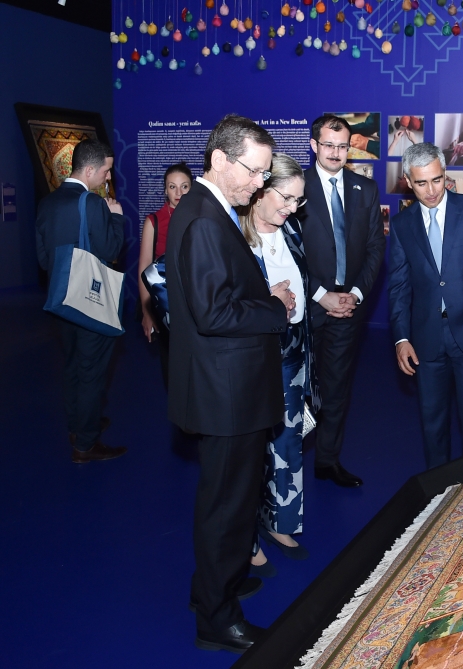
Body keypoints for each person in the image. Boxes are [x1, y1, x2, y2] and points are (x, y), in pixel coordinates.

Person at [167, 114, 294, 653]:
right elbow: (215, 312)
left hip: (228, 386)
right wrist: (274, 308)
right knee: (227, 505)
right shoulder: (203, 218)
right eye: (254, 171)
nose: (259, 183)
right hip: (226, 392)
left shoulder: (209, 209)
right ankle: (217, 620)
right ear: (220, 159)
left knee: (228, 498)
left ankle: (212, 586)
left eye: (265, 174)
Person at [388, 143, 463, 469]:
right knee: (432, 422)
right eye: (421, 183)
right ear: (408, 182)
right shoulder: (402, 225)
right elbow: (398, 287)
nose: (431, 190)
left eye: (437, 180)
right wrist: (401, 338)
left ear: (445, 175)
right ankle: (438, 487)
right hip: (426, 337)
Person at [238, 153, 320, 572]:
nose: (292, 208)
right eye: (286, 198)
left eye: (298, 201)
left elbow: (304, 285)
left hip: (294, 352)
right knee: (250, 451)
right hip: (255, 358)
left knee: (289, 442)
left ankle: (281, 522)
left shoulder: (292, 230)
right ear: (260, 191)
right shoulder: (235, 237)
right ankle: (247, 539)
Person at [299, 114, 385, 487]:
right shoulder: (293, 187)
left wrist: (356, 294)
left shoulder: (365, 189)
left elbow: (375, 247)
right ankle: (284, 462)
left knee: (336, 388)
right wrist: (321, 295)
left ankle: (327, 461)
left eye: (342, 146)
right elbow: (286, 252)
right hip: (303, 308)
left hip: (348, 309)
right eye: (328, 145)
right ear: (314, 145)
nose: (335, 153)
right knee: (294, 388)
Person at [35, 139, 126, 464]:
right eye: (106, 170)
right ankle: (86, 444)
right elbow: (112, 251)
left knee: (73, 365)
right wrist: (116, 218)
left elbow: (43, 259)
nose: (108, 177)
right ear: (89, 170)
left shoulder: (47, 202)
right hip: (90, 301)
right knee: (91, 372)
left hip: (61, 298)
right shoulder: (94, 204)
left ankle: (78, 425)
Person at [137, 162, 193, 387]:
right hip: (167, 305)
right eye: (172, 187)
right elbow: (144, 268)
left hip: (197, 304)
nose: (178, 192)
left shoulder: (201, 216)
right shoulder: (155, 221)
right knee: (172, 370)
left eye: (184, 186)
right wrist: (146, 311)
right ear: (165, 190)